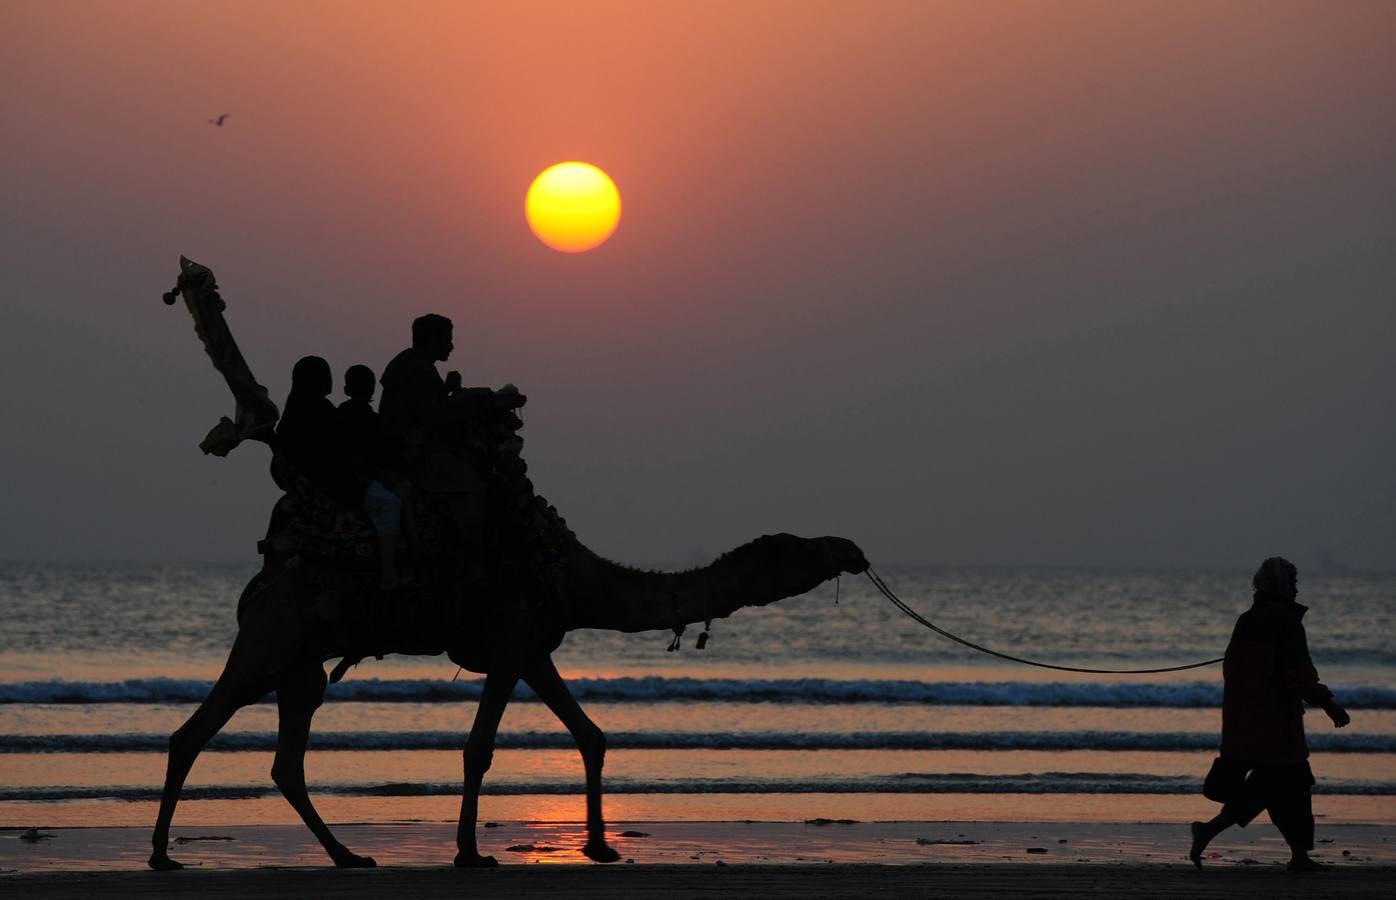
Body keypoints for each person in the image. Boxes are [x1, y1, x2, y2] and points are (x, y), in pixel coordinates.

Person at [1189, 557, 1351, 871]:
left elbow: (1233, 670)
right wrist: (1328, 702)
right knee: (1290, 783)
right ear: (1280, 585)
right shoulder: (1285, 622)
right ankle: (1211, 830)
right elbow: (1298, 672)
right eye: (1292, 582)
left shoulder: (1247, 619)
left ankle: (1297, 854)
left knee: (1280, 786)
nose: (1295, 588)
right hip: (1275, 721)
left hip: (1244, 717)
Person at [379, 314, 487, 567]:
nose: (451, 346)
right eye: (448, 339)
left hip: (402, 447)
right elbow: (434, 417)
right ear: (434, 340)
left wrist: (448, 392)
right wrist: (465, 400)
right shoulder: (420, 370)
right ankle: (473, 562)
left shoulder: (405, 363)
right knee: (473, 488)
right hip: (409, 454)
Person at [339, 364, 403, 590]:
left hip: (350, 480)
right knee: (392, 504)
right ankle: (389, 572)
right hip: (357, 483)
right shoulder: (370, 419)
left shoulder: (339, 413)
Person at [274, 356, 361, 510]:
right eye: (325, 375)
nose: (330, 380)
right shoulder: (319, 408)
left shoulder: (295, 407)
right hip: (322, 482)